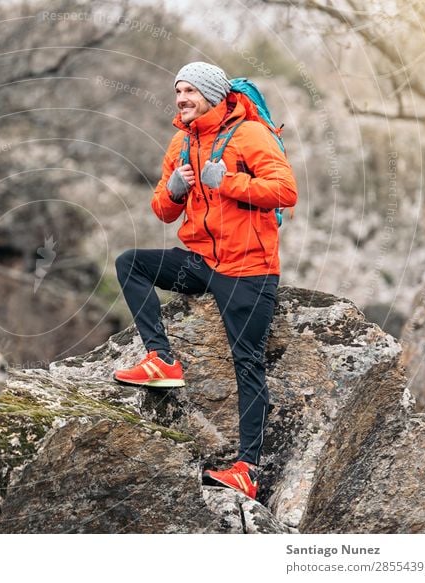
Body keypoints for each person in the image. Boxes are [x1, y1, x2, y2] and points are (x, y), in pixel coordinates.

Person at [112, 61, 298, 499]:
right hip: (201, 262)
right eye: (178, 92)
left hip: (249, 269)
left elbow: (285, 190)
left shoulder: (251, 135)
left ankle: (247, 470)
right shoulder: (182, 141)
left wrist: (228, 181)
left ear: (212, 95)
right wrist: (175, 188)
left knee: (247, 363)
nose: (181, 99)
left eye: (190, 91)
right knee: (129, 263)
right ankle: (161, 360)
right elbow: (162, 211)